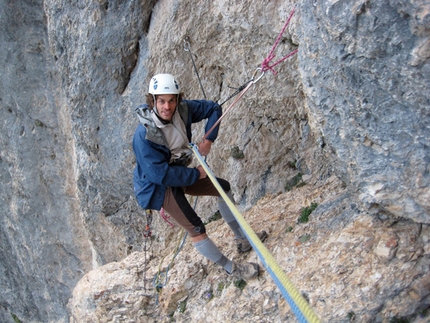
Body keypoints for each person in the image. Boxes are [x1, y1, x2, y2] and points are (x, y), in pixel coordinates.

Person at [132, 73, 268, 280]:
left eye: (171, 101)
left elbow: (214, 108)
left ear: (177, 99)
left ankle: (242, 240)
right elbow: (159, 175)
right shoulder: (144, 135)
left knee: (222, 188)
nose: (167, 107)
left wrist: (208, 140)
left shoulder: (183, 110)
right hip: (157, 186)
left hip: (177, 172)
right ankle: (232, 269)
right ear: (152, 101)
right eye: (161, 101)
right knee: (195, 227)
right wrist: (195, 174)